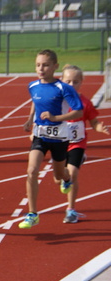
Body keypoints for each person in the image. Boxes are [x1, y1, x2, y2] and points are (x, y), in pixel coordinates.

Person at [19, 49, 83, 229]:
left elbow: (78, 110)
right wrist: (30, 119)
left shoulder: (63, 88)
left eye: (45, 65)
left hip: (60, 137)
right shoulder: (32, 86)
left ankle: (67, 177)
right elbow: (35, 101)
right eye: (38, 65)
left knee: (59, 175)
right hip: (40, 135)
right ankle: (32, 213)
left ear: (55, 66)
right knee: (31, 170)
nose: (41, 68)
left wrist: (55, 118)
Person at [59, 64, 109, 223]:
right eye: (68, 81)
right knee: (59, 177)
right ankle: (65, 176)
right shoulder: (57, 102)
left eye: (76, 82)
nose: (72, 85)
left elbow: (94, 122)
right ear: (62, 81)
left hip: (77, 144)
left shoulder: (85, 103)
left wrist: (100, 127)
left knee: (72, 175)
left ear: (81, 83)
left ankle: (71, 209)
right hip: (59, 144)